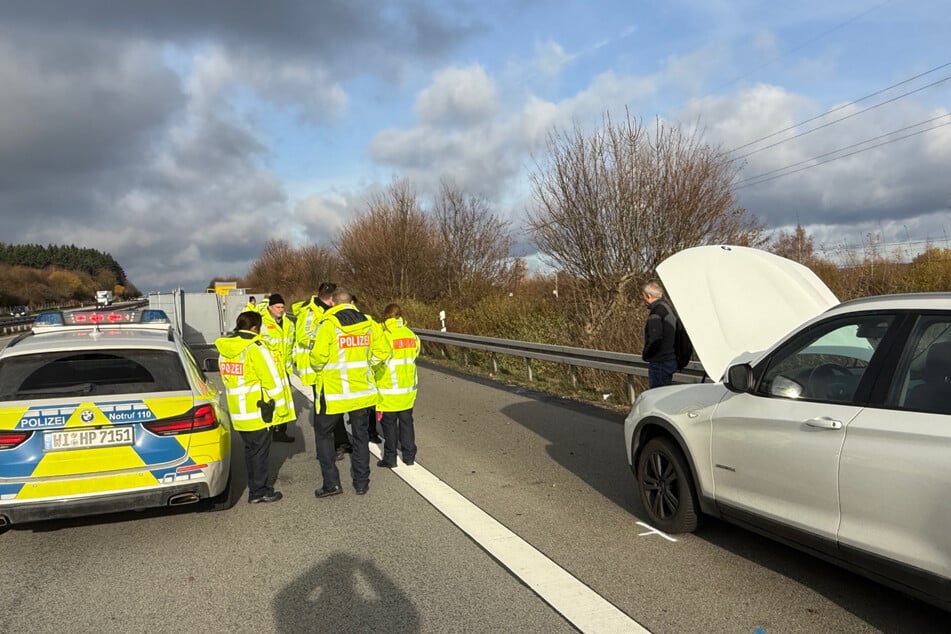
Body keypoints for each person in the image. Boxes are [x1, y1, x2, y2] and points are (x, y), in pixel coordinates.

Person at [310, 288, 390, 498]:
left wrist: (324, 371)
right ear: (351, 302)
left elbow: (317, 359)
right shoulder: (370, 323)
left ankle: (331, 484)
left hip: (335, 392)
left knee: (324, 435)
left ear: (332, 303)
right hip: (361, 392)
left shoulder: (328, 325)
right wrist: (368, 365)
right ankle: (361, 483)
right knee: (360, 436)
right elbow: (384, 352)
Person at [214, 311, 287, 504]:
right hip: (258, 411)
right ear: (255, 327)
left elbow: (226, 378)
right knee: (260, 454)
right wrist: (281, 409)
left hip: (238, 412)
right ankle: (259, 491)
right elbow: (272, 381)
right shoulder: (255, 348)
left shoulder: (225, 349)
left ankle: (256, 487)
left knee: (251, 451)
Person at [294, 282, 353, 459]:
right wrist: (325, 341)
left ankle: (342, 442)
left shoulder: (329, 311)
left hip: (332, 368)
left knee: (336, 407)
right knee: (325, 412)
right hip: (317, 369)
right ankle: (329, 449)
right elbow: (304, 337)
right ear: (331, 298)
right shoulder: (311, 313)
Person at [373, 303, 420, 468]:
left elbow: (375, 361)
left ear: (385, 316)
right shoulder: (411, 335)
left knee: (389, 426)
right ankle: (409, 456)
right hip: (407, 390)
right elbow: (415, 355)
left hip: (388, 390)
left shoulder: (383, 336)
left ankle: (390, 458)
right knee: (407, 424)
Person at [260, 293, 297, 443]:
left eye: (282, 307)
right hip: (270, 369)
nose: (280, 310)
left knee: (284, 401)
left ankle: (281, 431)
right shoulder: (262, 322)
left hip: (285, 370)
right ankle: (268, 428)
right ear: (270, 307)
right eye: (277, 307)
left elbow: (292, 344)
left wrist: (293, 361)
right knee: (270, 400)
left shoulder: (288, 323)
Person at [641, 280, 679, 388]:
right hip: (670, 357)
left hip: (660, 361)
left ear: (648, 296)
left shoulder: (656, 312)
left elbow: (655, 338)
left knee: (657, 393)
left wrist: (646, 354)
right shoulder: (668, 307)